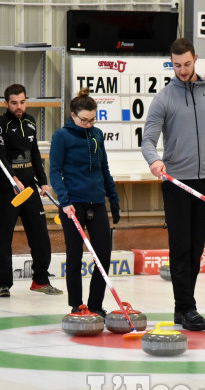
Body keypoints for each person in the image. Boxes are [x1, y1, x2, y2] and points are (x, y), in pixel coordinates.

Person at [141, 38, 205, 331]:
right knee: (180, 247)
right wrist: (154, 161)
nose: (182, 70)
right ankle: (187, 308)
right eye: (176, 65)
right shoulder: (164, 98)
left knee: (196, 249)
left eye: (186, 64)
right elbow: (147, 140)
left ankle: (183, 309)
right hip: (177, 183)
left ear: (195, 58)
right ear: (171, 62)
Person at [49, 87, 121, 317]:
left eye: (92, 120)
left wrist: (114, 198)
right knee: (75, 255)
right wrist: (64, 201)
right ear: (73, 116)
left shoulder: (97, 135)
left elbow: (105, 168)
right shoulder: (62, 136)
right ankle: (76, 305)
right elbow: (54, 171)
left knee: (103, 255)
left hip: (97, 202)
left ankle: (95, 305)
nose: (89, 124)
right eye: (84, 120)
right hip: (73, 204)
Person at [0, 84, 62, 297]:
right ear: (6, 104)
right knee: (4, 237)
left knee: (40, 235)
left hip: (30, 189)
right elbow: (0, 157)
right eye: (14, 103)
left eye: (22, 102)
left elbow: (34, 153)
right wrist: (13, 179)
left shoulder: (30, 122)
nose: (19, 107)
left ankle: (40, 280)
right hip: (8, 191)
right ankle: (3, 284)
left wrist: (43, 181)